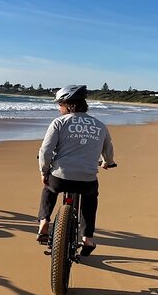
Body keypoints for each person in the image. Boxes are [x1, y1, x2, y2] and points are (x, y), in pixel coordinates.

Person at [36, 84, 115, 256]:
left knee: (48, 188)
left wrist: (44, 171)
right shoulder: (100, 125)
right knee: (90, 199)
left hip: (60, 177)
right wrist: (107, 162)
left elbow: (46, 151)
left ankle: (44, 222)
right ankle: (87, 238)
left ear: (68, 104)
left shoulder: (59, 123)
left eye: (60, 104)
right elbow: (108, 150)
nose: (58, 108)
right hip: (87, 179)